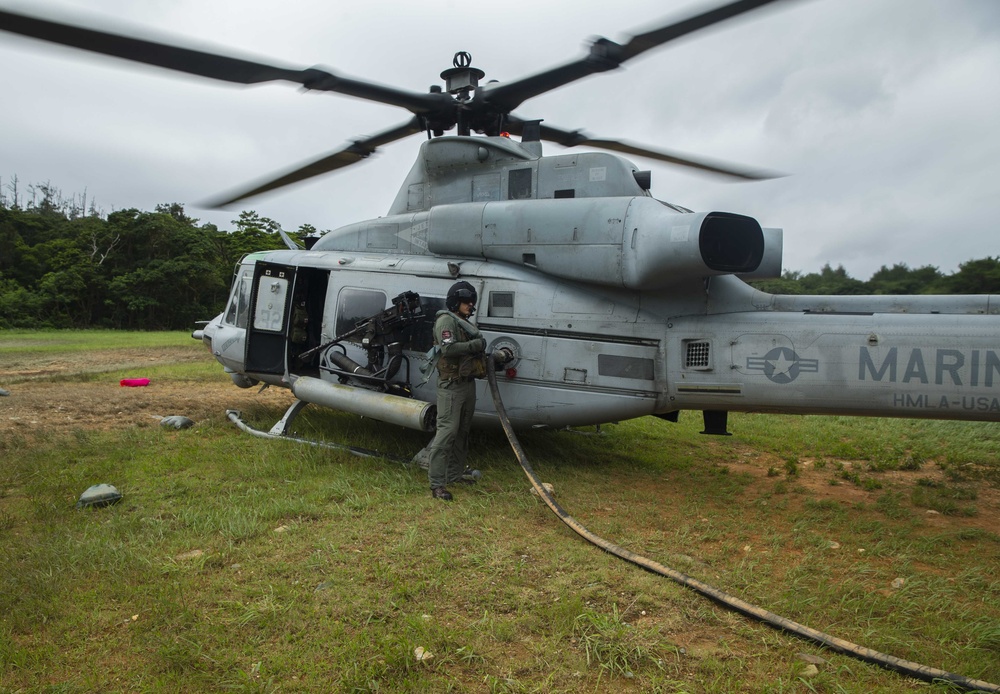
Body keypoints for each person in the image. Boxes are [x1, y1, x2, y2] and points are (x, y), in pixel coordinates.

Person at [425, 281, 487, 501]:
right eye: (466, 302)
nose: (471, 305)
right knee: (447, 431)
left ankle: (455, 474)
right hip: (451, 386)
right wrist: (475, 346)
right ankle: (437, 484)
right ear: (455, 302)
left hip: (467, 384)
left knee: (463, 431)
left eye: (472, 302)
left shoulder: (463, 323)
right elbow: (448, 349)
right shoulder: (446, 321)